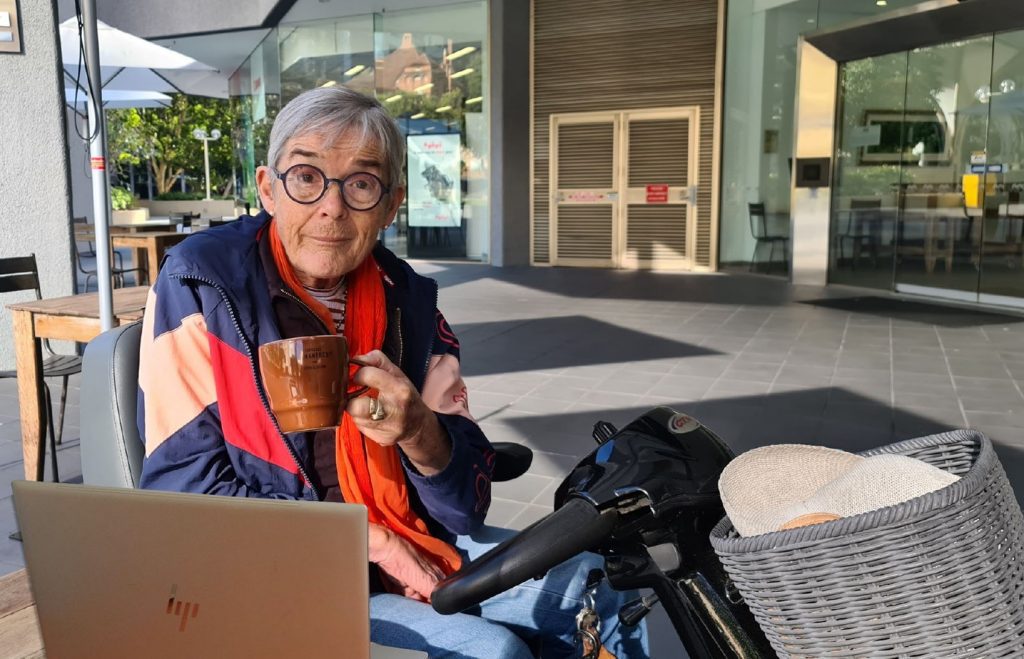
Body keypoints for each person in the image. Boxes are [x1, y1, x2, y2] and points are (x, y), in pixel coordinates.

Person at [137, 86, 648, 658]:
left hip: (414, 539)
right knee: (492, 650)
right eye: (305, 176)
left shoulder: (410, 303)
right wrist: (373, 543)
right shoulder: (204, 284)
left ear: (391, 205)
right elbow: (181, 494)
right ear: (267, 188)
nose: (332, 207)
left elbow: (465, 507)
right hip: (276, 572)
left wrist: (419, 431)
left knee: (607, 585)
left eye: (360, 183)